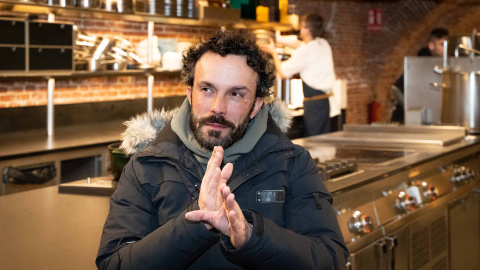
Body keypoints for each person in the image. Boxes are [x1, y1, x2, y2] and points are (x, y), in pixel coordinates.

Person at [96, 29, 348, 269]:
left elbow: (329, 259)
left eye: (236, 94)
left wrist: (252, 236)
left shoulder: (291, 163)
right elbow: (116, 263)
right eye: (207, 89)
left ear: (256, 105)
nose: (218, 107)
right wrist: (197, 221)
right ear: (190, 94)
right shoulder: (146, 165)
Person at [259, 13, 336, 137]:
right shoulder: (322, 43)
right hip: (325, 103)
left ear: (307, 30)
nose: (299, 30)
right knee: (323, 141)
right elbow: (300, 45)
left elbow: (283, 73)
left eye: (301, 27)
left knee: (314, 143)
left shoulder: (305, 51)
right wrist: (279, 39)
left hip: (314, 106)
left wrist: (273, 52)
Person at [391, 28, 449, 123]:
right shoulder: (419, 65)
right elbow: (396, 88)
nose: (446, 48)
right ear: (431, 46)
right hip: (404, 120)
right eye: (442, 44)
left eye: (447, 45)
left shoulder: (443, 65)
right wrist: (410, 110)